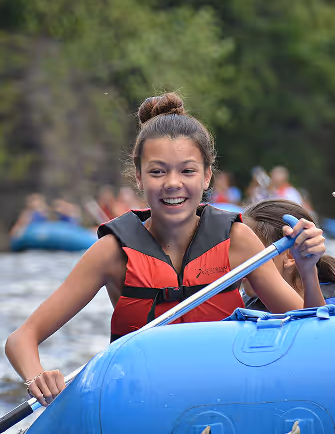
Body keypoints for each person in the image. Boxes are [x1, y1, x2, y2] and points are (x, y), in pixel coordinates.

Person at [5, 92, 325, 407]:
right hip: (141, 403)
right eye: (158, 171)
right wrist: (38, 379)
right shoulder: (111, 252)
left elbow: (308, 332)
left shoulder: (238, 240)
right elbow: (21, 339)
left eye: (187, 171)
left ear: (207, 176)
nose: (173, 183)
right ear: (140, 178)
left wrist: (308, 270)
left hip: (222, 400)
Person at [241, 199, 335, 310]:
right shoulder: (242, 307)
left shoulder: (331, 300)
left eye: (251, 254)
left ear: (290, 256)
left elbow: (313, 325)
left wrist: (308, 272)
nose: (240, 262)